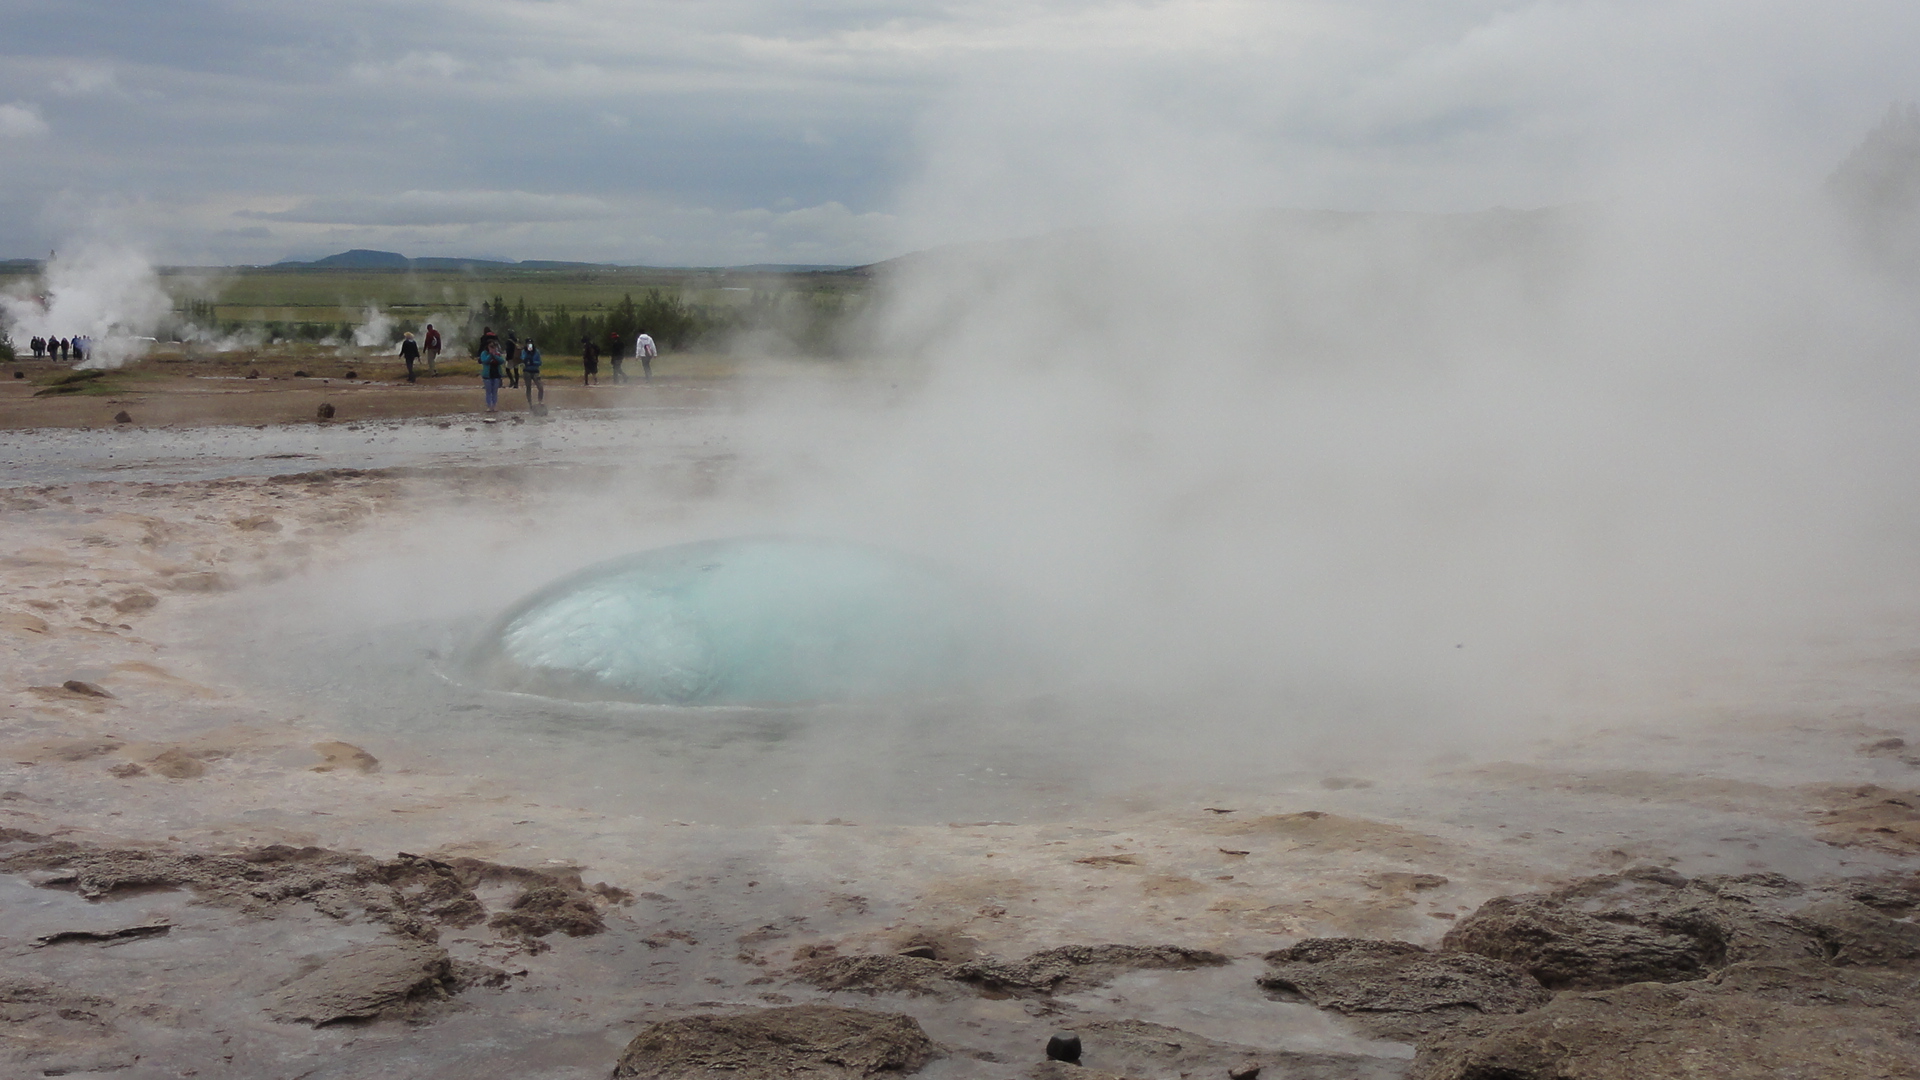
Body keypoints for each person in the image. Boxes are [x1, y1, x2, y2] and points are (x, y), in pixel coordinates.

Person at [479, 340, 506, 412]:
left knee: (495, 391)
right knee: (488, 391)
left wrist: (495, 355)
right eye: (490, 346)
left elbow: (501, 361)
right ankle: (489, 406)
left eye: (493, 346)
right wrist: (490, 355)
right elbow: (484, 361)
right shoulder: (484, 353)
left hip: (496, 375)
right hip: (487, 375)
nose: (492, 348)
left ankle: (494, 405)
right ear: (487, 346)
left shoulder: (497, 353)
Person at [521, 339, 544, 410]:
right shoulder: (524, 351)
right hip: (527, 371)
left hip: (535, 371)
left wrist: (533, 362)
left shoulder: (536, 351)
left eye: (530, 343)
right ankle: (530, 403)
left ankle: (540, 401)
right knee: (528, 387)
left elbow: (540, 362)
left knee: (540, 387)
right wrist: (527, 357)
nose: (529, 345)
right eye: (528, 343)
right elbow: (522, 359)